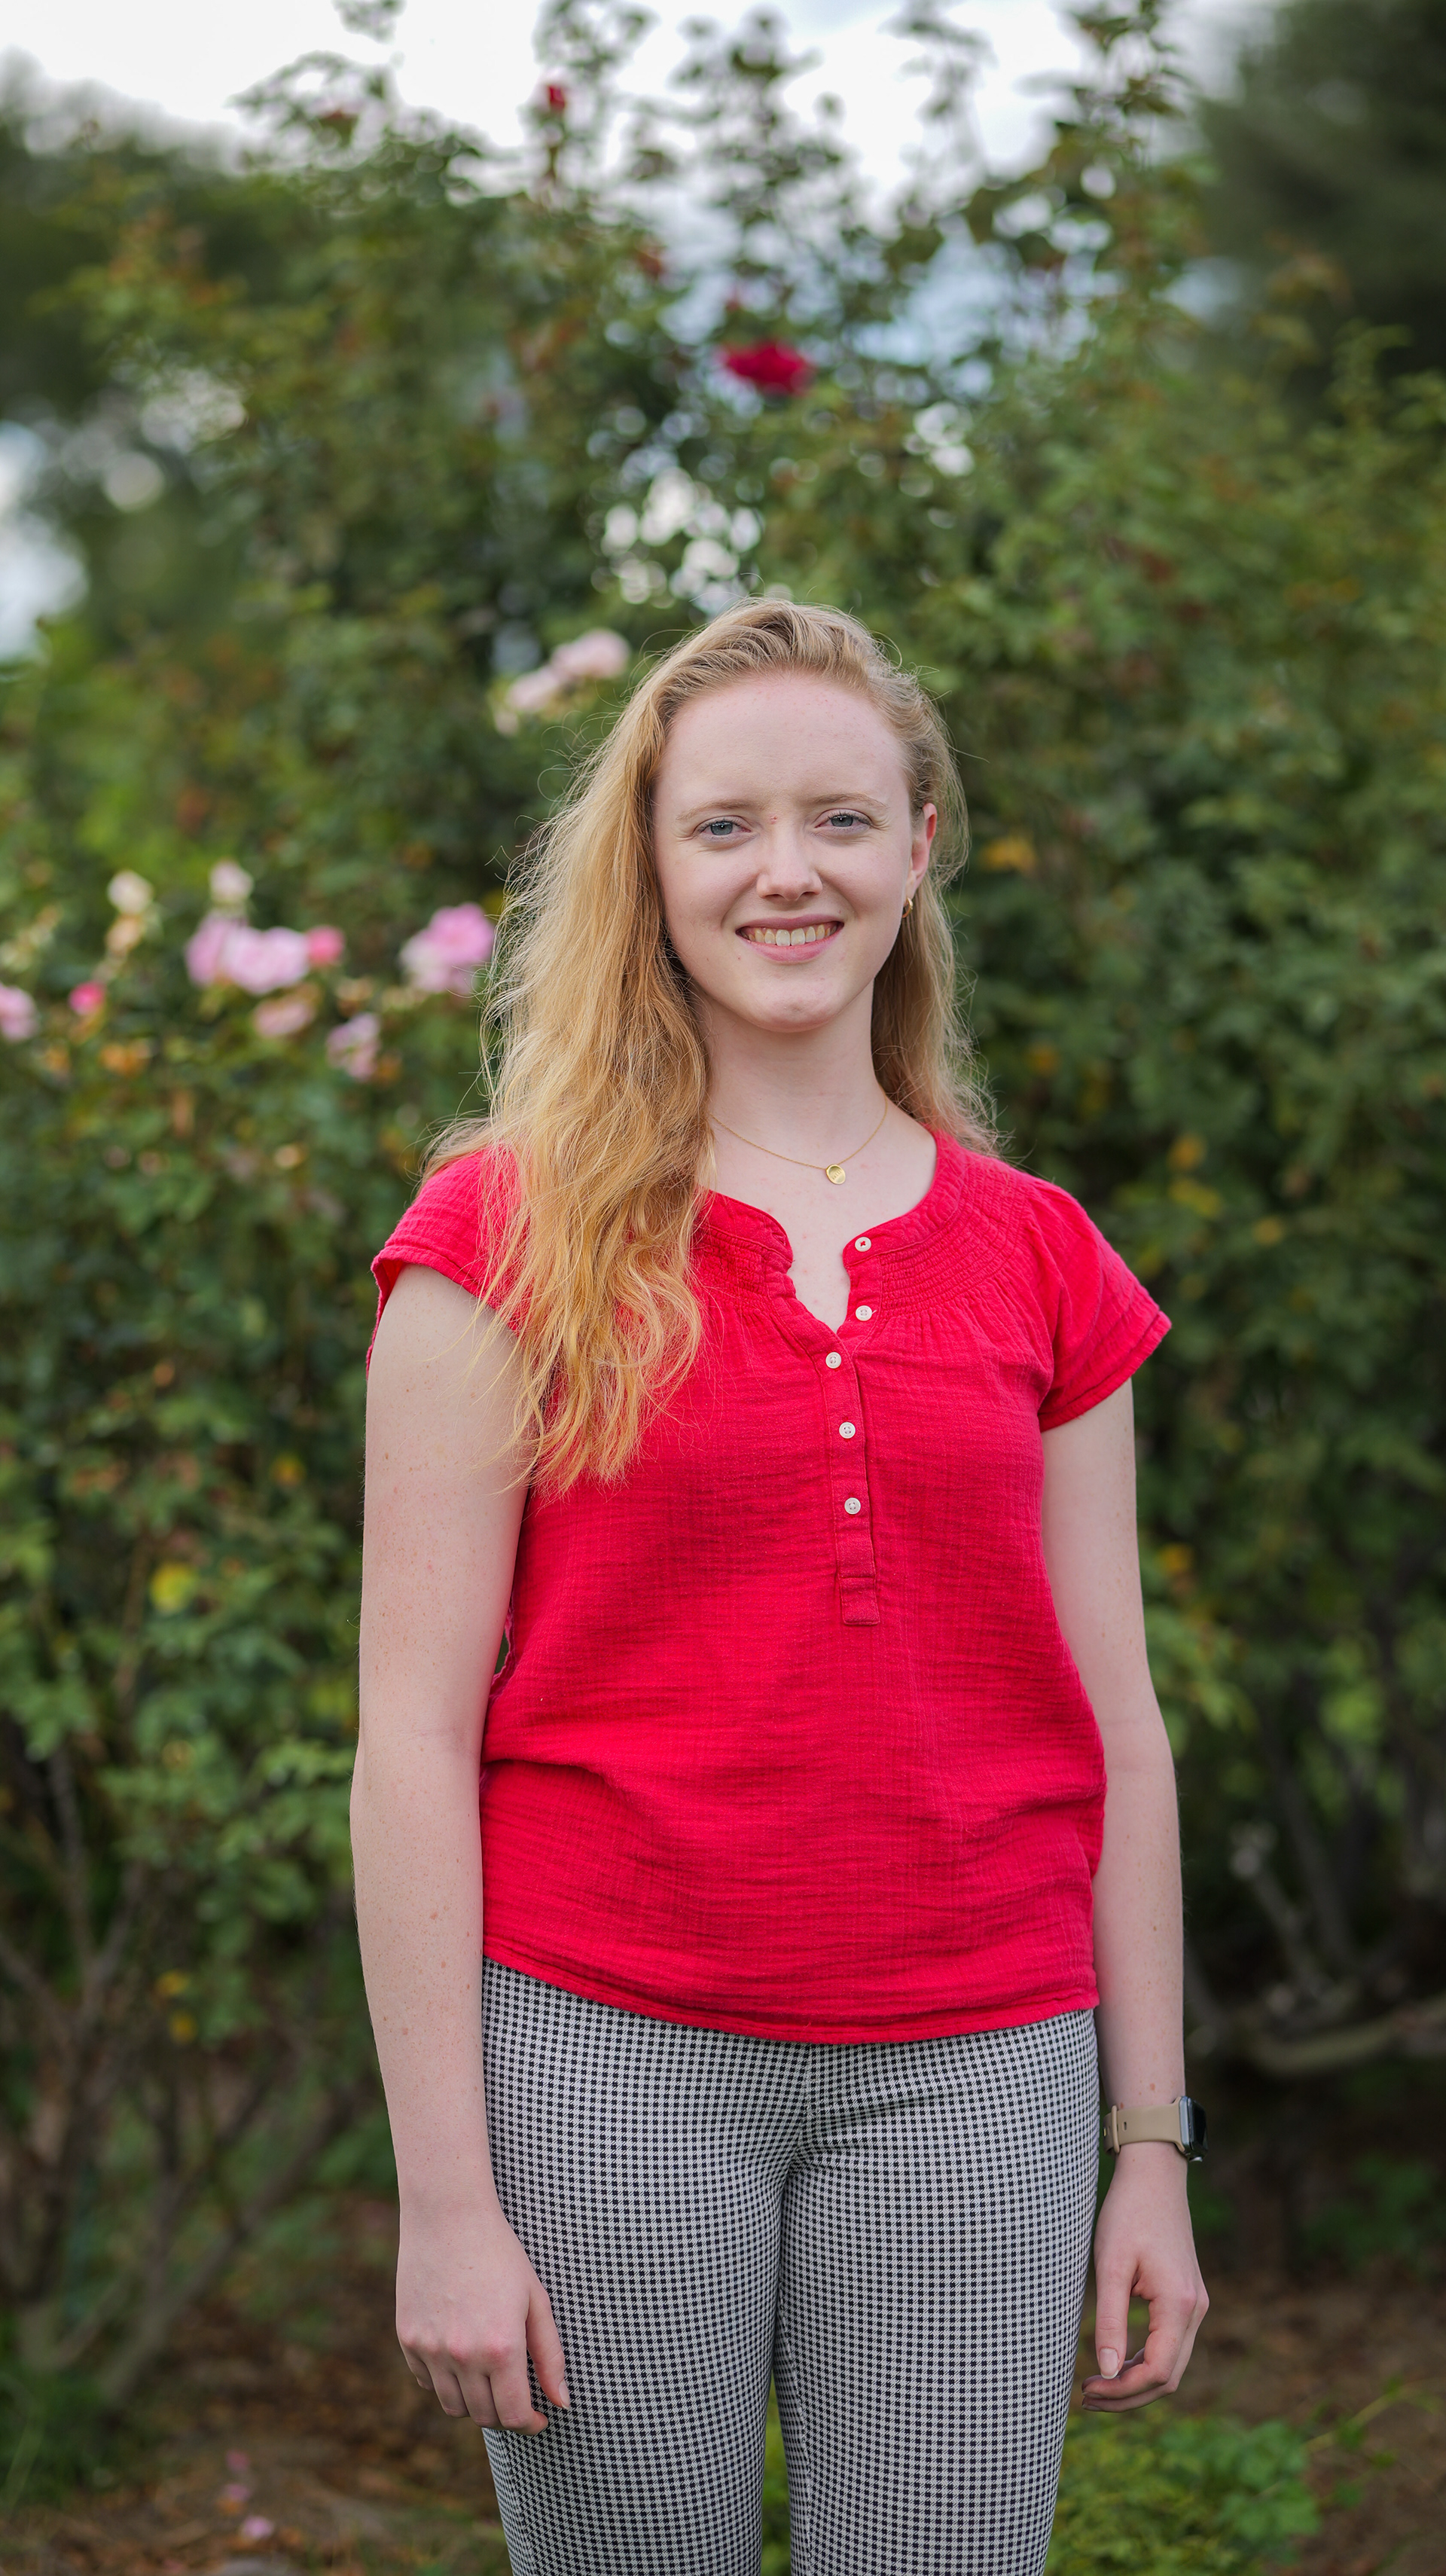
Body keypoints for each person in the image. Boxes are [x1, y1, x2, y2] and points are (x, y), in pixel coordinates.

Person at [352, 599, 1208, 2576]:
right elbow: (408, 1738)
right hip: (600, 2046)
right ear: (650, 870)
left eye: (840, 817)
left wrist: (1151, 2145)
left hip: (982, 2064)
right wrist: (445, 2197)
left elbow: (1122, 1734)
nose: (787, 872)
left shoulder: (1043, 1256)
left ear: (919, 846)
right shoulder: (503, 1237)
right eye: (724, 825)